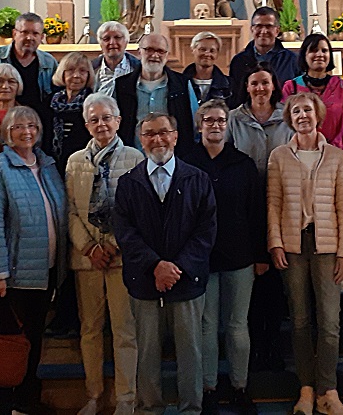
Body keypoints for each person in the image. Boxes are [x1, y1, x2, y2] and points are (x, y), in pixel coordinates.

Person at [113, 113, 217, 415]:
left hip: (187, 280)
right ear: (140, 139)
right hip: (144, 281)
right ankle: (149, 410)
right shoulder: (128, 183)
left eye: (163, 132)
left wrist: (175, 268)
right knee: (146, 354)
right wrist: (155, 266)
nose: (157, 139)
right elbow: (125, 232)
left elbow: (206, 231)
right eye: (149, 134)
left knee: (190, 352)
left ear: (175, 136)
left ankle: (191, 410)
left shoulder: (197, 179)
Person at [0, 106, 69, 415]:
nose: (26, 132)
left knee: (32, 342)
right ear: (6, 133)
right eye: (18, 127)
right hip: (11, 277)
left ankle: (26, 403)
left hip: (43, 273)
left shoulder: (48, 166)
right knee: (3, 345)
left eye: (31, 126)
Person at [267, 92, 343, 415]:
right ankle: (306, 388)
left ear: (318, 115)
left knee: (330, 321)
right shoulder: (278, 156)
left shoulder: (337, 157)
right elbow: (273, 203)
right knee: (300, 320)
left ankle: (327, 389)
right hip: (293, 246)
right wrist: (275, 242)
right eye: (296, 111)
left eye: (308, 110)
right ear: (290, 118)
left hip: (327, 246)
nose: (303, 115)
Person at [184, 101, 264, 415]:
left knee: (237, 325)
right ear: (199, 125)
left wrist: (260, 254)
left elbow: (256, 212)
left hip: (240, 255)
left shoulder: (243, 164)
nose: (215, 125)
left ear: (227, 126)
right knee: (206, 326)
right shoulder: (186, 162)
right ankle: (208, 389)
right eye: (209, 120)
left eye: (220, 120)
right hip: (200, 257)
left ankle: (239, 387)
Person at [66, 93, 144, 415]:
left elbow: (139, 211)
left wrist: (112, 244)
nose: (101, 124)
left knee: (125, 330)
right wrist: (89, 247)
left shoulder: (135, 158)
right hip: (88, 260)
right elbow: (70, 210)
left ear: (118, 121)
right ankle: (94, 395)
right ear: (86, 125)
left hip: (121, 258)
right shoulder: (74, 161)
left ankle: (126, 398)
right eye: (94, 119)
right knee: (90, 329)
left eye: (106, 117)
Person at [226, 63, 293, 373]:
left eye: (265, 82)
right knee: (252, 280)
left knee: (276, 280)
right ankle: (253, 349)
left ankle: (274, 347)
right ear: (246, 87)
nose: (260, 88)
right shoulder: (233, 118)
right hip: (245, 208)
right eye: (254, 83)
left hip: (283, 205)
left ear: (273, 85)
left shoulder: (286, 117)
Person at [114, 33, 195, 155]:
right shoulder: (122, 85)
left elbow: (194, 122)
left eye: (160, 51)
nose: (155, 55)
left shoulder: (182, 84)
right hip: (133, 156)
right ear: (139, 52)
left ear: (167, 55)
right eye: (149, 50)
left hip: (172, 157)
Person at [282, 33, 343, 150]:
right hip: (300, 151)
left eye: (324, 50)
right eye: (313, 50)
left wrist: (331, 149)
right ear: (304, 55)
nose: (320, 54)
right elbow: (286, 123)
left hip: (335, 151)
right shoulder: (291, 87)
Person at [0, 12, 59, 110]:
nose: (29, 37)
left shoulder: (49, 62)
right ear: (14, 34)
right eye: (24, 32)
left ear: (41, 37)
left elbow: (58, 97)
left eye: (35, 33)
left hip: (38, 119)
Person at [228, 7, 300, 108]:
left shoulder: (292, 60)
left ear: (277, 30)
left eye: (269, 26)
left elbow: (298, 95)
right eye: (259, 26)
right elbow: (236, 96)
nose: (263, 31)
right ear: (252, 29)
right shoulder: (239, 61)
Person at [49, 52, 95, 178]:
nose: (76, 75)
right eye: (70, 70)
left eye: (82, 71)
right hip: (52, 167)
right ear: (62, 74)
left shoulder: (92, 104)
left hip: (82, 168)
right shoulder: (50, 102)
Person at [182, 31, 233, 108]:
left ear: (217, 54)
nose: (207, 54)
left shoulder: (229, 86)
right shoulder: (179, 84)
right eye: (202, 49)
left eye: (212, 51)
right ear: (193, 50)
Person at [93, 21, 141, 97]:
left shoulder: (138, 68)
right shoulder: (92, 69)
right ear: (100, 44)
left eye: (117, 37)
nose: (112, 42)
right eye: (106, 38)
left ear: (126, 42)